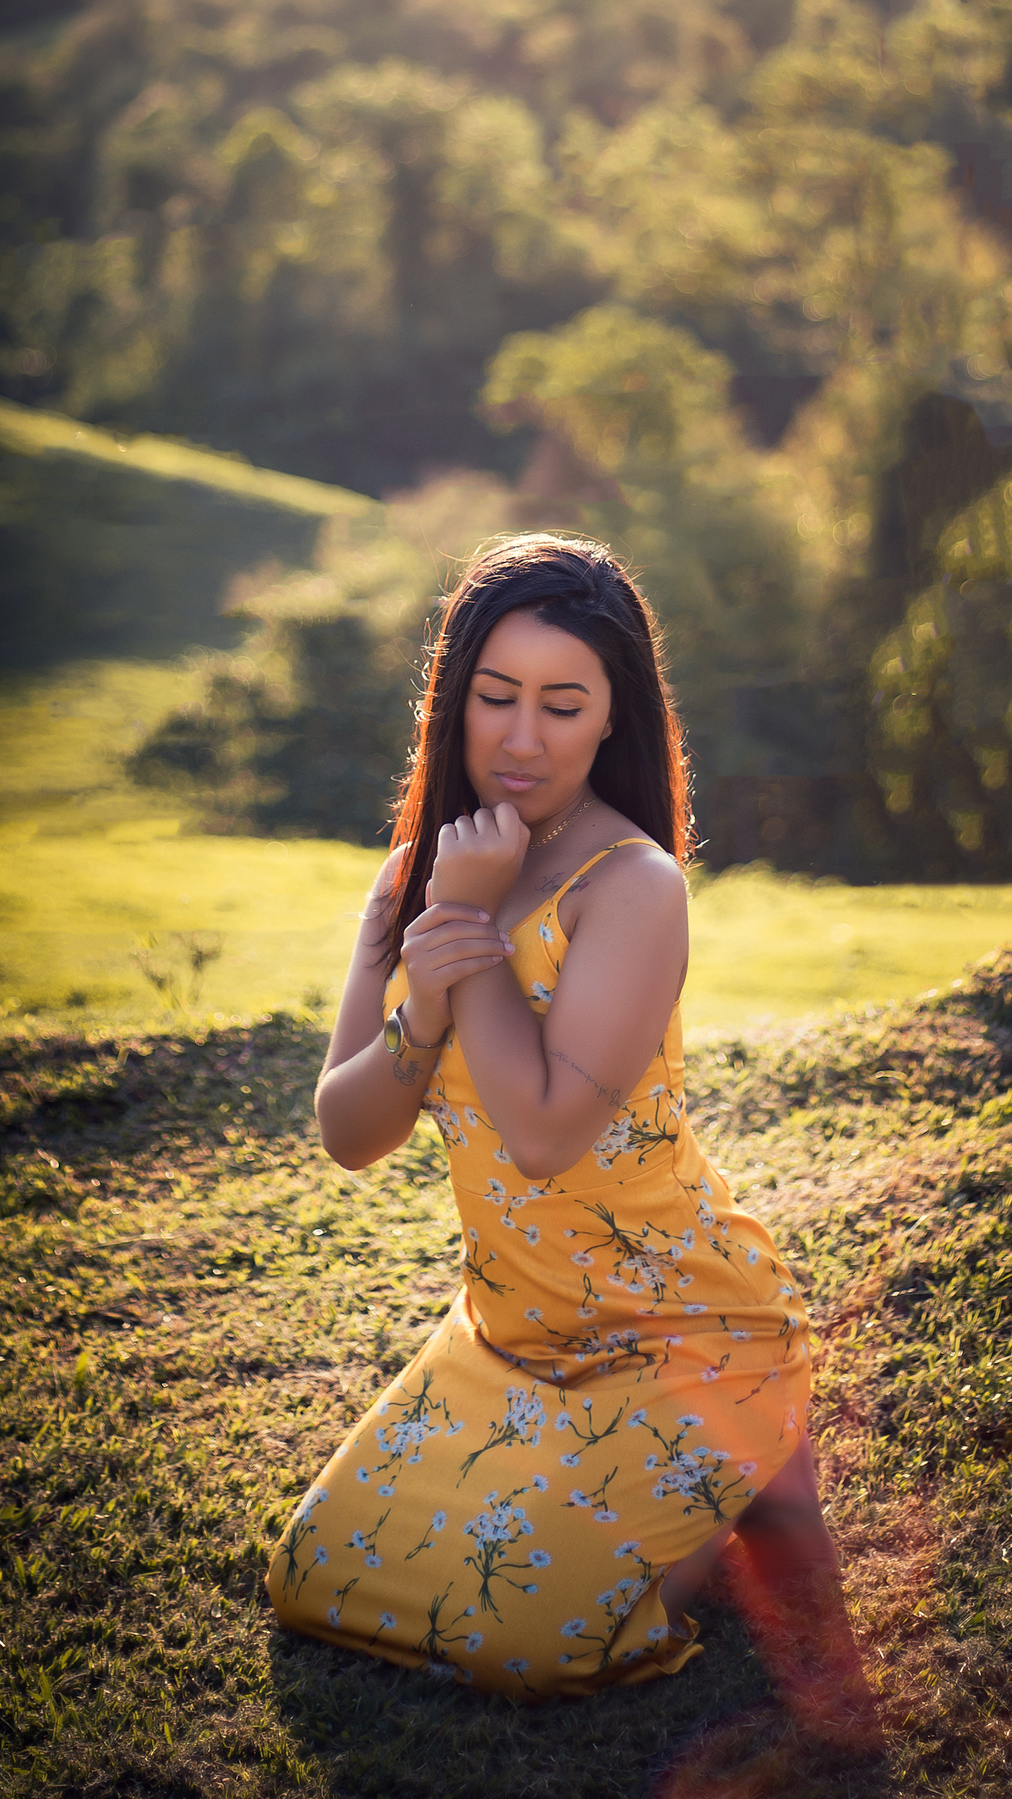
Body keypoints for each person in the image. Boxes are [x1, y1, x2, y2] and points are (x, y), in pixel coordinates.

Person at [266, 534, 842, 1706]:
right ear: (453, 698)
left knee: (522, 1640)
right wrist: (421, 998)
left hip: (682, 1337)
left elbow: (540, 1133)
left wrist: (464, 933)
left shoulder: (632, 886)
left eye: (562, 704)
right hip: (506, 1337)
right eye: (496, 696)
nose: (522, 737)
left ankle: (752, 1461)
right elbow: (348, 1128)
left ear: (609, 720)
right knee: (319, 1578)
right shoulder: (408, 875)